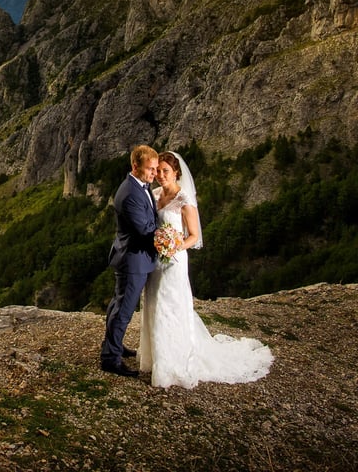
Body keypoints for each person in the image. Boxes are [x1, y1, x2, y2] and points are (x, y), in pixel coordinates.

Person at [139, 151, 274, 388]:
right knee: (153, 305)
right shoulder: (155, 194)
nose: (160, 175)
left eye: (165, 171)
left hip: (174, 262)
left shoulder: (184, 200)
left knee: (172, 307)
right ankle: (154, 358)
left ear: (176, 173)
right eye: (158, 170)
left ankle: (174, 362)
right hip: (156, 262)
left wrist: (175, 245)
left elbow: (194, 236)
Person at [100, 144, 159, 377]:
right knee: (123, 310)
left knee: (117, 304)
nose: (154, 174)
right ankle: (110, 359)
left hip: (130, 257)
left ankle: (113, 346)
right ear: (135, 166)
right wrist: (168, 237)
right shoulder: (131, 194)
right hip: (133, 260)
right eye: (150, 169)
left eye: (155, 169)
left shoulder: (138, 186)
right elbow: (145, 230)